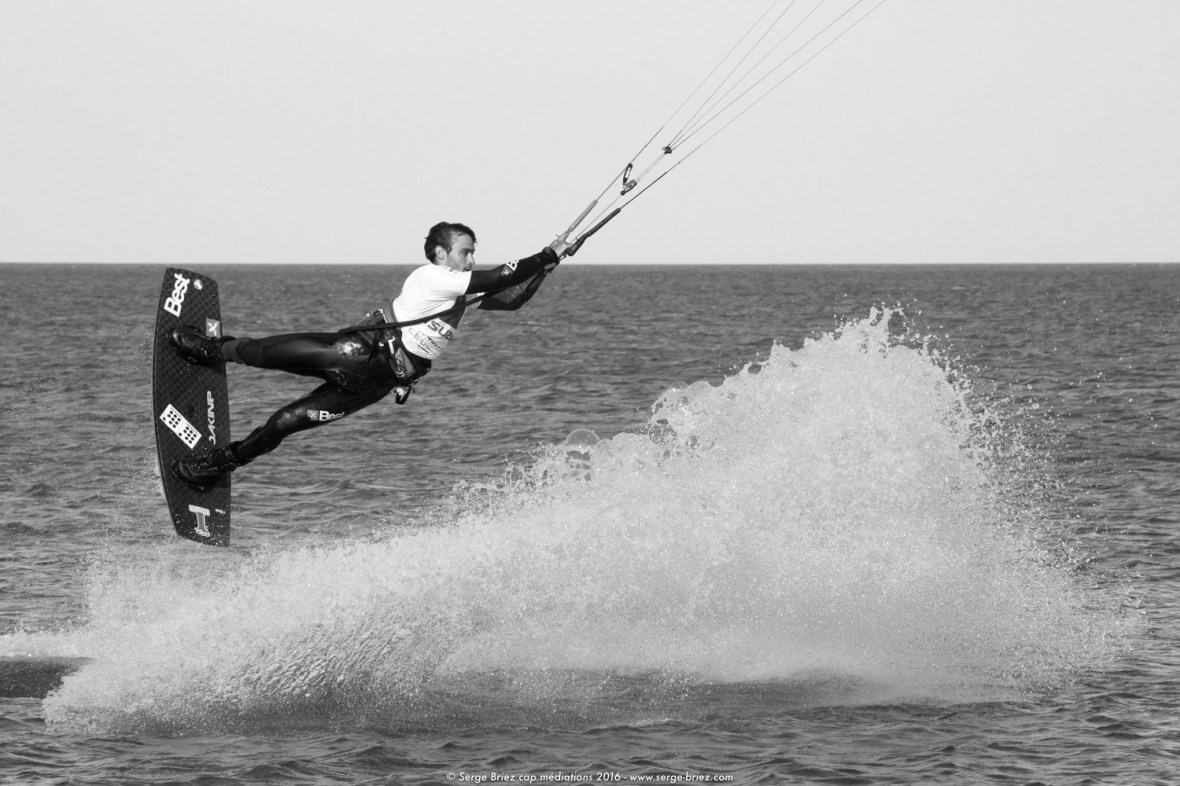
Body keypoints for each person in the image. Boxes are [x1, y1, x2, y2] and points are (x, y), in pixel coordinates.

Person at [169, 222, 571, 488]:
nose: (472, 258)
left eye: (473, 253)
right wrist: (545, 255)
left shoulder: (459, 295)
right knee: (260, 352)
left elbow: (511, 299)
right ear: (440, 254)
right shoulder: (432, 278)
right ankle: (209, 350)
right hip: (355, 352)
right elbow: (500, 276)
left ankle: (219, 464)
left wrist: (548, 267)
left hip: (374, 384)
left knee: (283, 424)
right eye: (465, 252)